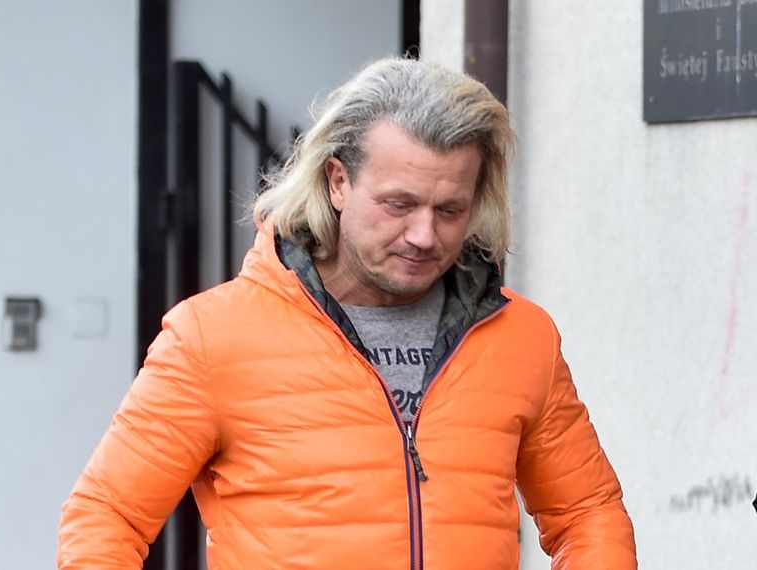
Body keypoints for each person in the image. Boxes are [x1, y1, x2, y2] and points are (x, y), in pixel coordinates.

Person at [57, 57, 637, 569]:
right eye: (399, 204)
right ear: (338, 182)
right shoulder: (211, 337)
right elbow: (106, 516)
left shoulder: (522, 338)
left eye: (449, 210)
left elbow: (587, 513)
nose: (423, 234)